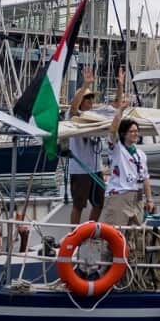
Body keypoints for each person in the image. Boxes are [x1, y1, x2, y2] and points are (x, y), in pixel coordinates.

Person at [102, 74, 153, 227]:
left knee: (135, 236)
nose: (135, 134)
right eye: (132, 131)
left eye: (137, 131)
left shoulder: (140, 154)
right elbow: (113, 130)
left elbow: (145, 178)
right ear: (124, 134)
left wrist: (149, 199)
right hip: (120, 196)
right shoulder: (117, 149)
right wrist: (121, 110)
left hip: (136, 197)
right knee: (116, 234)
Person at [66, 67, 106, 224]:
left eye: (91, 99)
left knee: (99, 203)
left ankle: (88, 230)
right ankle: (75, 235)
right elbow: (73, 107)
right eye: (87, 99)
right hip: (80, 169)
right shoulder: (74, 116)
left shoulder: (96, 117)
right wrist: (85, 85)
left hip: (96, 168)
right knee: (79, 205)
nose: (91, 102)